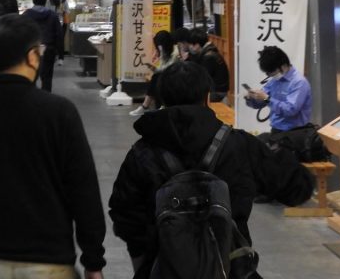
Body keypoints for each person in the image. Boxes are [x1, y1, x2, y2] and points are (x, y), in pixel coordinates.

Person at [109, 60, 314, 279]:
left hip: (163, 269)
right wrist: (283, 150)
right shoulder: (239, 145)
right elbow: (297, 188)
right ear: (207, 97)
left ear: (161, 99)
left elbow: (123, 215)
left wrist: (150, 253)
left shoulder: (142, 152)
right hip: (230, 267)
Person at [0, 14, 107, 279]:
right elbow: (83, 190)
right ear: (32, 56)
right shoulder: (59, 113)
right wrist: (93, 260)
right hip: (49, 260)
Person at [245, 46, 312, 132]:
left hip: (295, 133)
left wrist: (266, 98)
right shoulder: (274, 81)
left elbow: (290, 110)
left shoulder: (299, 82)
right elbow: (260, 103)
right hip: (276, 130)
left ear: (283, 66)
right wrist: (251, 98)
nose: (271, 75)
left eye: (272, 72)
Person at [22, 0, 64, 92]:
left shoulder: (26, 15)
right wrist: (61, 55)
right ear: (46, 1)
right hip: (48, 49)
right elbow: (59, 35)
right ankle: (46, 101)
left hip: (30, 50)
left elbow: (21, 33)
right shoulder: (52, 15)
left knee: (30, 76)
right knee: (47, 78)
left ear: (33, 0)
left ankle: (30, 100)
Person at [130, 30, 178, 116]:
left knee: (156, 78)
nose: (159, 48)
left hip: (175, 76)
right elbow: (162, 69)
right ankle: (150, 106)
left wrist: (155, 68)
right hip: (168, 76)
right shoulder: (165, 52)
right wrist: (151, 67)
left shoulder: (175, 52)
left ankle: (145, 106)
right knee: (156, 77)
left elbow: (168, 68)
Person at [186, 28, 229, 102]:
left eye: (190, 44)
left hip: (217, 92)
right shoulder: (209, 52)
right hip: (217, 90)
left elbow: (201, 79)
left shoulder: (208, 57)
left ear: (197, 45)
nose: (189, 47)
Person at [47, 0, 69, 64]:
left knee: (60, 40)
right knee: (52, 40)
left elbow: (67, 11)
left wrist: (63, 13)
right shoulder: (49, 0)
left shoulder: (63, 0)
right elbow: (47, 10)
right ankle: (53, 56)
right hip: (51, 22)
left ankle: (61, 57)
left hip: (62, 22)